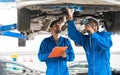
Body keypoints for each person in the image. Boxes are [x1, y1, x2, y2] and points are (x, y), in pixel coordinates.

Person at [66, 8, 112, 75]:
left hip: (103, 71)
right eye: (87, 24)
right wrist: (70, 18)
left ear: (96, 26)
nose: (88, 25)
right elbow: (73, 34)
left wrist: (93, 33)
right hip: (91, 72)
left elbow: (106, 45)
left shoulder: (105, 35)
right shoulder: (86, 40)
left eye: (91, 23)